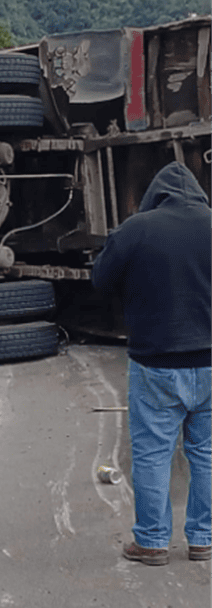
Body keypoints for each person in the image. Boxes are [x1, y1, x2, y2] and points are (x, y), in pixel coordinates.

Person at [92, 160, 211, 565]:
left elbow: (100, 280)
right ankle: (204, 539)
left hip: (155, 363)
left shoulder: (135, 229)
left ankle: (153, 542)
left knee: (153, 454)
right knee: (208, 453)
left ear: (155, 195)